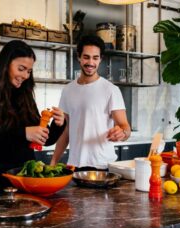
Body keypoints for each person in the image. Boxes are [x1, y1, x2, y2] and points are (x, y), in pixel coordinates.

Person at [0, 40, 66, 191]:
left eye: (29, 71)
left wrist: (58, 125)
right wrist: (24, 133)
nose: (25, 75)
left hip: (25, 177)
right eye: (21, 69)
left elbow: (43, 140)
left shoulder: (25, 96)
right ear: (5, 64)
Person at [50, 35, 131, 170]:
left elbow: (125, 127)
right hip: (75, 165)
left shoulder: (111, 90)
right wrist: (53, 162)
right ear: (79, 57)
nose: (90, 62)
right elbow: (65, 131)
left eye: (95, 58)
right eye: (86, 57)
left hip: (103, 165)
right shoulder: (68, 90)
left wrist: (122, 134)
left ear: (100, 59)